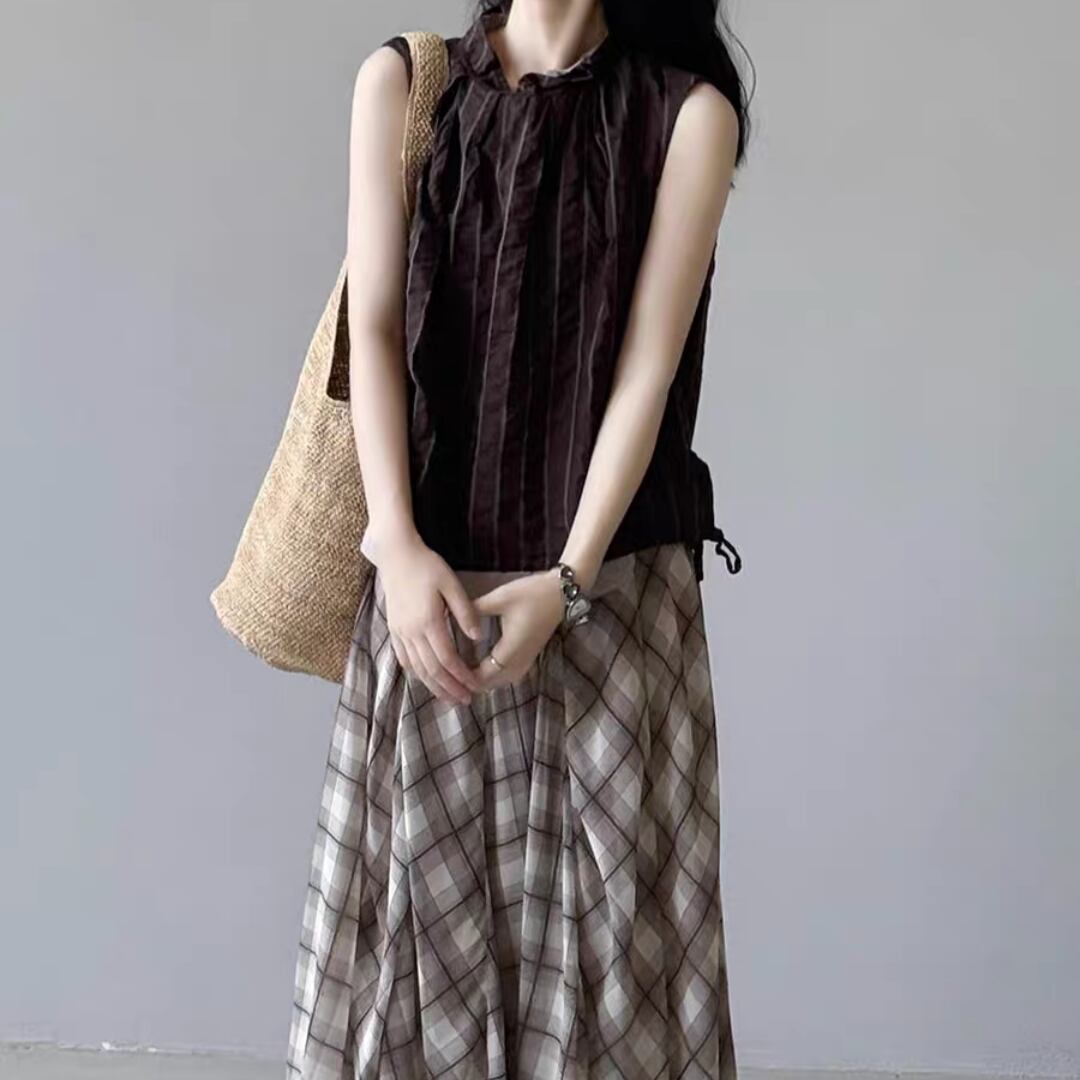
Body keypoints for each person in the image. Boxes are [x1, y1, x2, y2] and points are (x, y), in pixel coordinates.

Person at [287, 0, 750, 1075]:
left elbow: (645, 374)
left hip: (614, 604)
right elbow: (375, 327)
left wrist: (568, 581)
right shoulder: (408, 87)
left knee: (615, 982)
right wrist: (396, 548)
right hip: (431, 601)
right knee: (413, 972)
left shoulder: (689, 117)